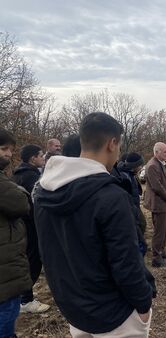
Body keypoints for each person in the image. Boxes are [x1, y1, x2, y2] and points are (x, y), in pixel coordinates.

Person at [34, 112, 156, 337]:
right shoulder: (111, 196)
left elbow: (48, 254)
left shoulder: (44, 192)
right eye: (118, 147)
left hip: (75, 309)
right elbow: (126, 262)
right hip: (116, 315)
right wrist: (143, 305)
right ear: (112, 143)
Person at [0, 128, 32, 338]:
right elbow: (21, 203)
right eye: (4, 149)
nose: (9, 154)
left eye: (10, 149)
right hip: (5, 272)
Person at [12, 145, 50, 313]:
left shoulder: (18, 174)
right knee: (33, 261)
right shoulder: (31, 177)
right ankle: (26, 300)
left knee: (28, 259)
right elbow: (38, 203)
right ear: (33, 158)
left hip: (23, 225)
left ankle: (22, 297)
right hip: (32, 226)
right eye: (41, 155)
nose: (43, 158)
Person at [143, 142, 166, 268]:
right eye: (165, 152)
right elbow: (158, 188)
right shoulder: (152, 165)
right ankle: (156, 259)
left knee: (163, 230)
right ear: (156, 152)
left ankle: (161, 252)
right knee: (159, 231)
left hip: (164, 203)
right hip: (159, 204)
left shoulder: (160, 163)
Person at [115, 152, 148, 256]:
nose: (141, 167)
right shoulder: (125, 176)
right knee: (139, 227)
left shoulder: (131, 174)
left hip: (135, 206)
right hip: (130, 209)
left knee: (141, 225)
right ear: (135, 166)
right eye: (140, 165)